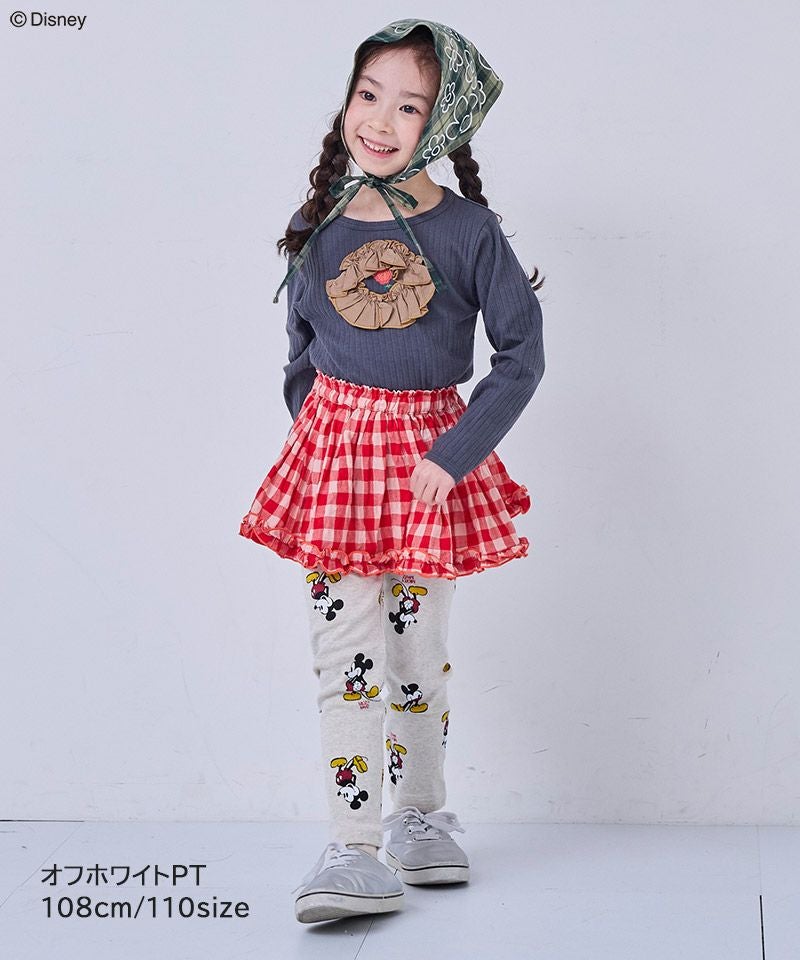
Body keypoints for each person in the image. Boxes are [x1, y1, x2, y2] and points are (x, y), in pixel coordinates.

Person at [238, 18, 546, 924]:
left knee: (416, 657)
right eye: (367, 94)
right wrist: (323, 447)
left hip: (425, 478)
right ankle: (352, 845)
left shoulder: (470, 232)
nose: (378, 119)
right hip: (337, 475)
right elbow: (300, 356)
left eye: (409, 106)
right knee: (343, 659)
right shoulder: (319, 230)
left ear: (442, 122)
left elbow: (521, 356)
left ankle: (420, 818)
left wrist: (453, 454)